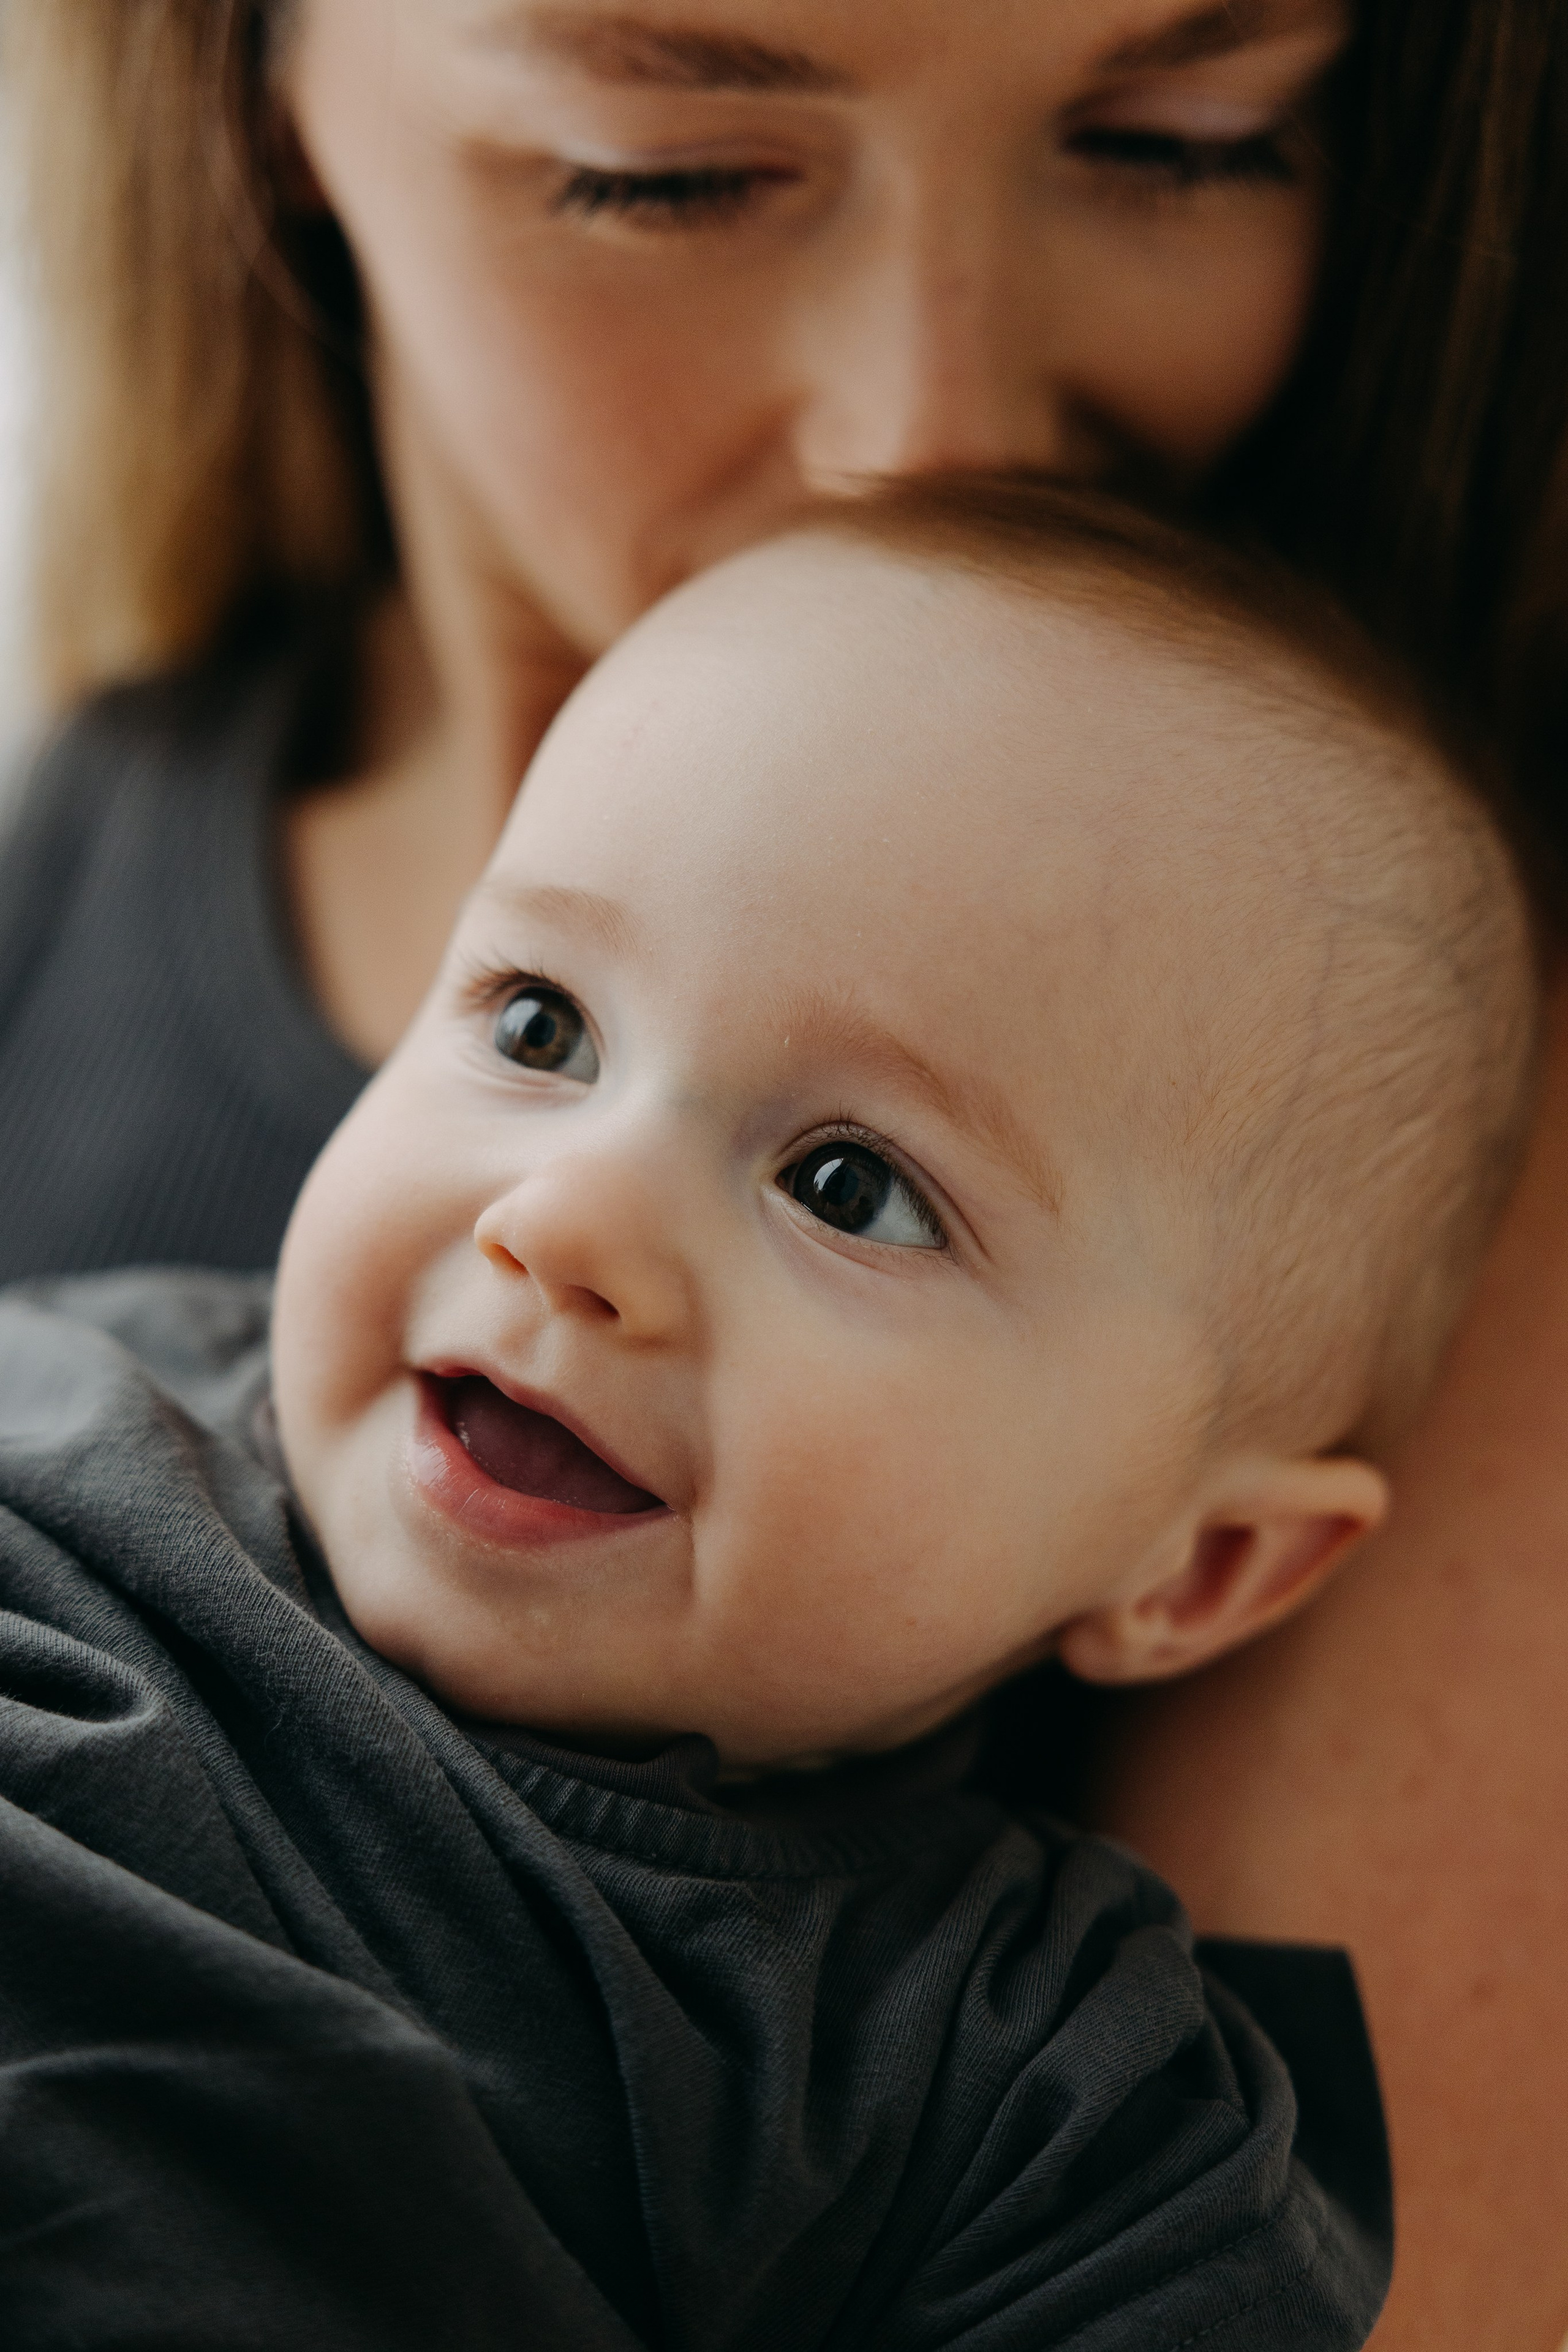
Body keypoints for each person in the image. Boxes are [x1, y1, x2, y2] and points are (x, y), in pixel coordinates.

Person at [1, 6, 1565, 2334]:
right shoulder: (67, 1386)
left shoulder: (1010, 2076)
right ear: (244, 79)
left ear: (1206, 1559)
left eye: (1184, 135)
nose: (926, 430)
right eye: (668, 167)